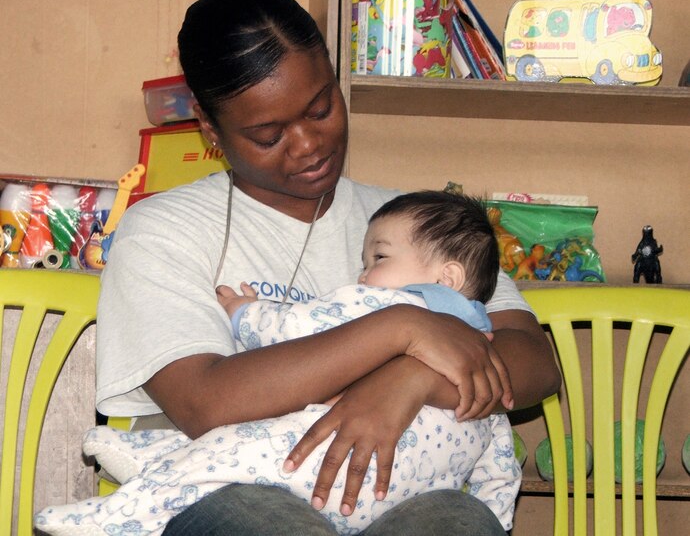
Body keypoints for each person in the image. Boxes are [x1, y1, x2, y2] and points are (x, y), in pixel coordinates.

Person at [90, 0, 560, 536]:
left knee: (460, 522)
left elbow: (532, 361)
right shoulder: (163, 230)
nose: (308, 144)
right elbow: (207, 402)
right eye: (269, 134)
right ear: (210, 129)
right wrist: (402, 328)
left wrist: (409, 381)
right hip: (227, 493)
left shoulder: (411, 219)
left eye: (320, 108)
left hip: (402, 494)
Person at [34, 192, 522, 536]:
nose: (363, 271)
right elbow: (500, 445)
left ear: (449, 275)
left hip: (308, 464)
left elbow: (302, 328)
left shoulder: (400, 268)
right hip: (396, 488)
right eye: (268, 132)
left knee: (238, 452)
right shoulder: (475, 334)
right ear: (212, 126)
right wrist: (496, 508)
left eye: (377, 258)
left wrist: (245, 314)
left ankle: (120, 512)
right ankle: (156, 461)